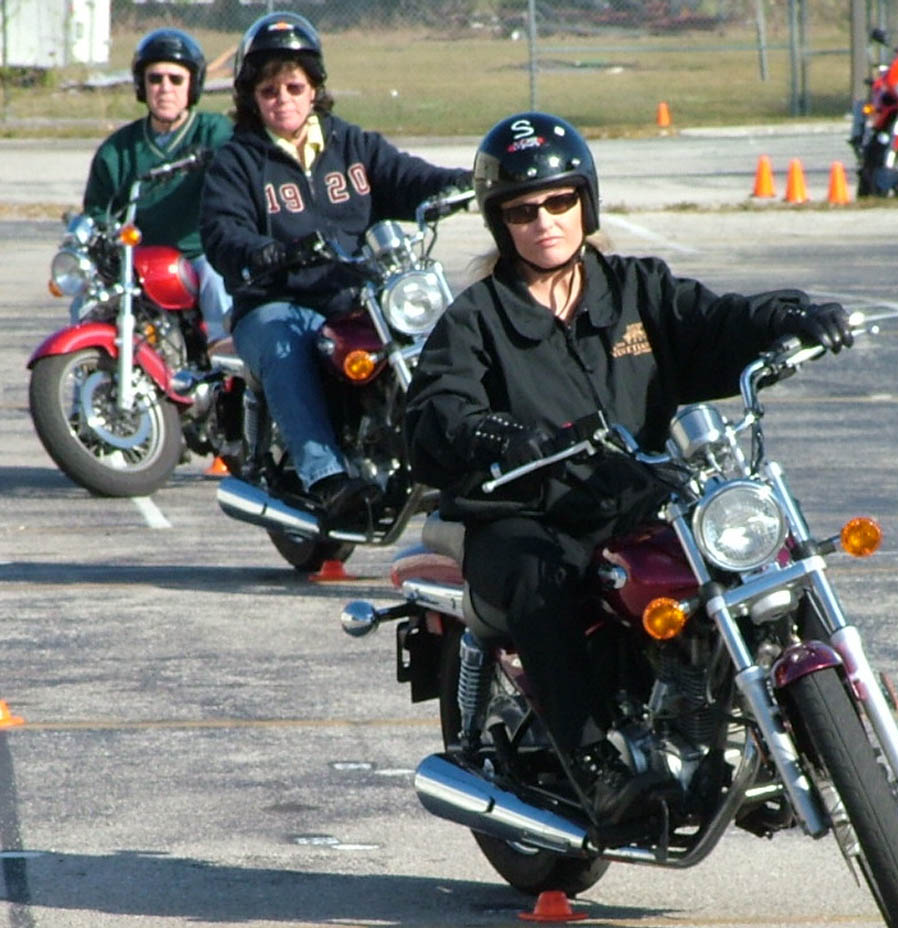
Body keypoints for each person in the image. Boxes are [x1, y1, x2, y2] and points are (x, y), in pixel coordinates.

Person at [404, 111, 854, 827]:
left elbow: (718, 321)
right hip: (524, 512)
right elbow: (435, 410)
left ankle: (782, 726)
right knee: (539, 578)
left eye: (559, 201)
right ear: (500, 222)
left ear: (585, 201)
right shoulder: (478, 318)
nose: (544, 221)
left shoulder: (636, 289)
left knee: (749, 550)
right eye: (522, 210)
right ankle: (595, 767)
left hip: (636, 495)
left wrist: (790, 317)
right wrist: (494, 431)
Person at [198, 11, 471, 520]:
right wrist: (264, 252)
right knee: (285, 344)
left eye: (294, 87)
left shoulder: (353, 146)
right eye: (269, 91)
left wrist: (466, 182)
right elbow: (221, 231)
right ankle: (326, 477)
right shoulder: (238, 161)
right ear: (251, 98)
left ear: (315, 89)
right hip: (277, 299)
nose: (283, 99)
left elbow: (409, 178)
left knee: (439, 326)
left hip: (355, 293)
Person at [83, 28, 233, 342]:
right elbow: (97, 211)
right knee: (85, 303)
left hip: (197, 254)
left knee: (219, 284)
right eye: (155, 79)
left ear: (193, 85)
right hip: (136, 259)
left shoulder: (215, 133)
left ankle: (223, 359)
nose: (165, 88)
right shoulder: (118, 149)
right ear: (142, 85)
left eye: (176, 79)